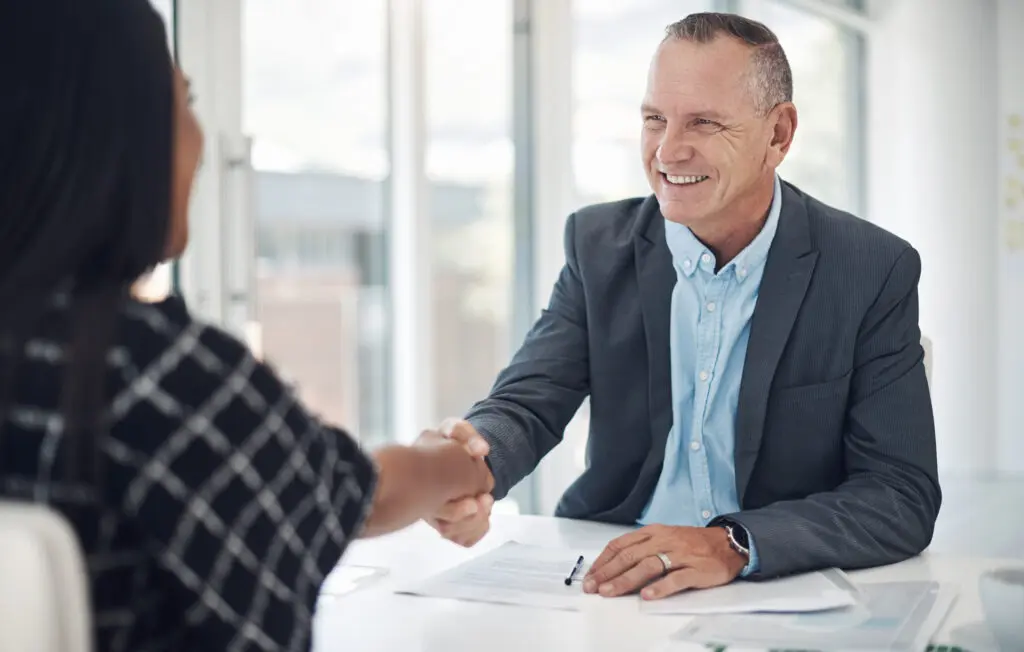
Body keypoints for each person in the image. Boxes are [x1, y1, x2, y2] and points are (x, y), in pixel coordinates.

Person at [0, 1, 490, 651]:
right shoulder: (153, 375)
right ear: (114, 139)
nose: (199, 141)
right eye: (183, 102)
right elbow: (353, 494)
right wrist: (462, 467)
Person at [427, 12, 941, 601]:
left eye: (704, 122)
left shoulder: (870, 268)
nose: (668, 151)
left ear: (779, 134)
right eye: (654, 120)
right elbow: (525, 407)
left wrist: (733, 543)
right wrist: (465, 470)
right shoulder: (598, 247)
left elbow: (900, 494)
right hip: (612, 573)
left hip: (770, 582)